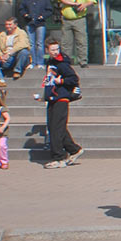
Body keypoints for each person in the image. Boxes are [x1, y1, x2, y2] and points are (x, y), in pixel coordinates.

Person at [40, 38, 82, 169]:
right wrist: (44, 97)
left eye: (57, 49)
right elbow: (49, 81)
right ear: (47, 50)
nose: (55, 52)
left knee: (56, 129)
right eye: (52, 50)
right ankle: (74, 149)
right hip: (52, 98)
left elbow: (74, 78)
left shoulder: (62, 63)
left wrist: (62, 81)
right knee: (54, 127)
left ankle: (59, 158)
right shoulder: (50, 63)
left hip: (61, 98)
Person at [57, 0, 95, 67]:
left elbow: (92, 0)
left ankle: (83, 61)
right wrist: (74, 4)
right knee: (66, 42)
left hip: (79, 20)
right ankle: (66, 61)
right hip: (66, 20)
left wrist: (84, 4)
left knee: (82, 41)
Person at [17, 0, 51, 67]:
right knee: (31, 44)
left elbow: (49, 10)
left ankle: (40, 62)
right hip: (29, 22)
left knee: (39, 43)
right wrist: (25, 15)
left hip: (40, 23)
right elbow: (21, 8)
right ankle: (32, 62)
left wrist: (42, 16)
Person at [0, 17, 32, 81]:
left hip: (15, 57)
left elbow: (23, 44)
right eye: (6, 24)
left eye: (10, 24)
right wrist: (1, 56)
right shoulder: (2, 34)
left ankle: (17, 71)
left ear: (15, 25)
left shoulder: (21, 33)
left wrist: (9, 53)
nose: (7, 26)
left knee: (24, 52)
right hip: (5, 59)